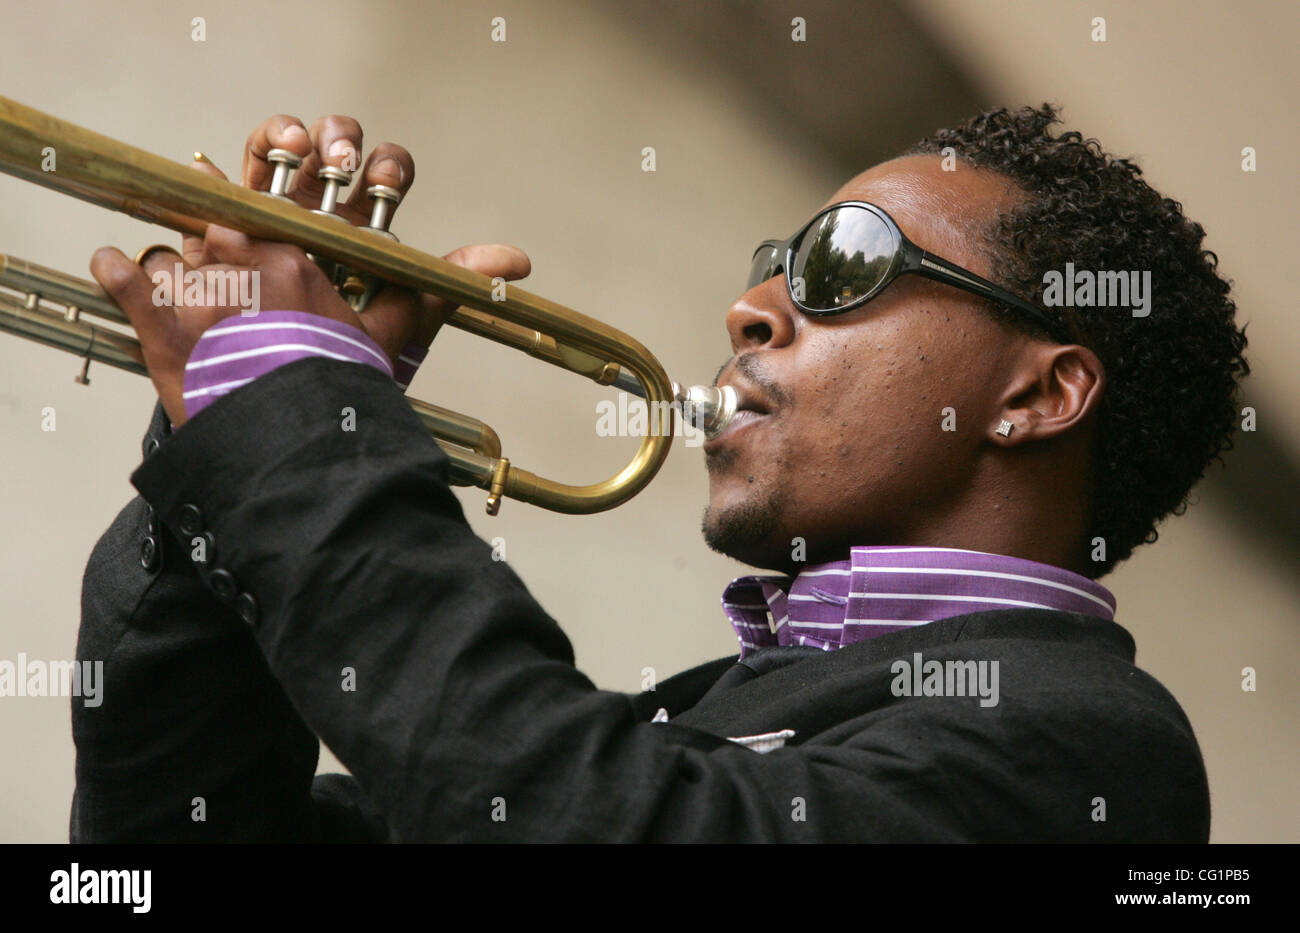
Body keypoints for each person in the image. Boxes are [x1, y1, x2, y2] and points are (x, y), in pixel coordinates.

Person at [70, 104, 1247, 842]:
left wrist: (302, 421)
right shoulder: (713, 709)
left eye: (842, 264)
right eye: (770, 264)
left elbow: (579, 814)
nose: (748, 310)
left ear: (1038, 395)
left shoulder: (1089, 749)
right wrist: (224, 451)